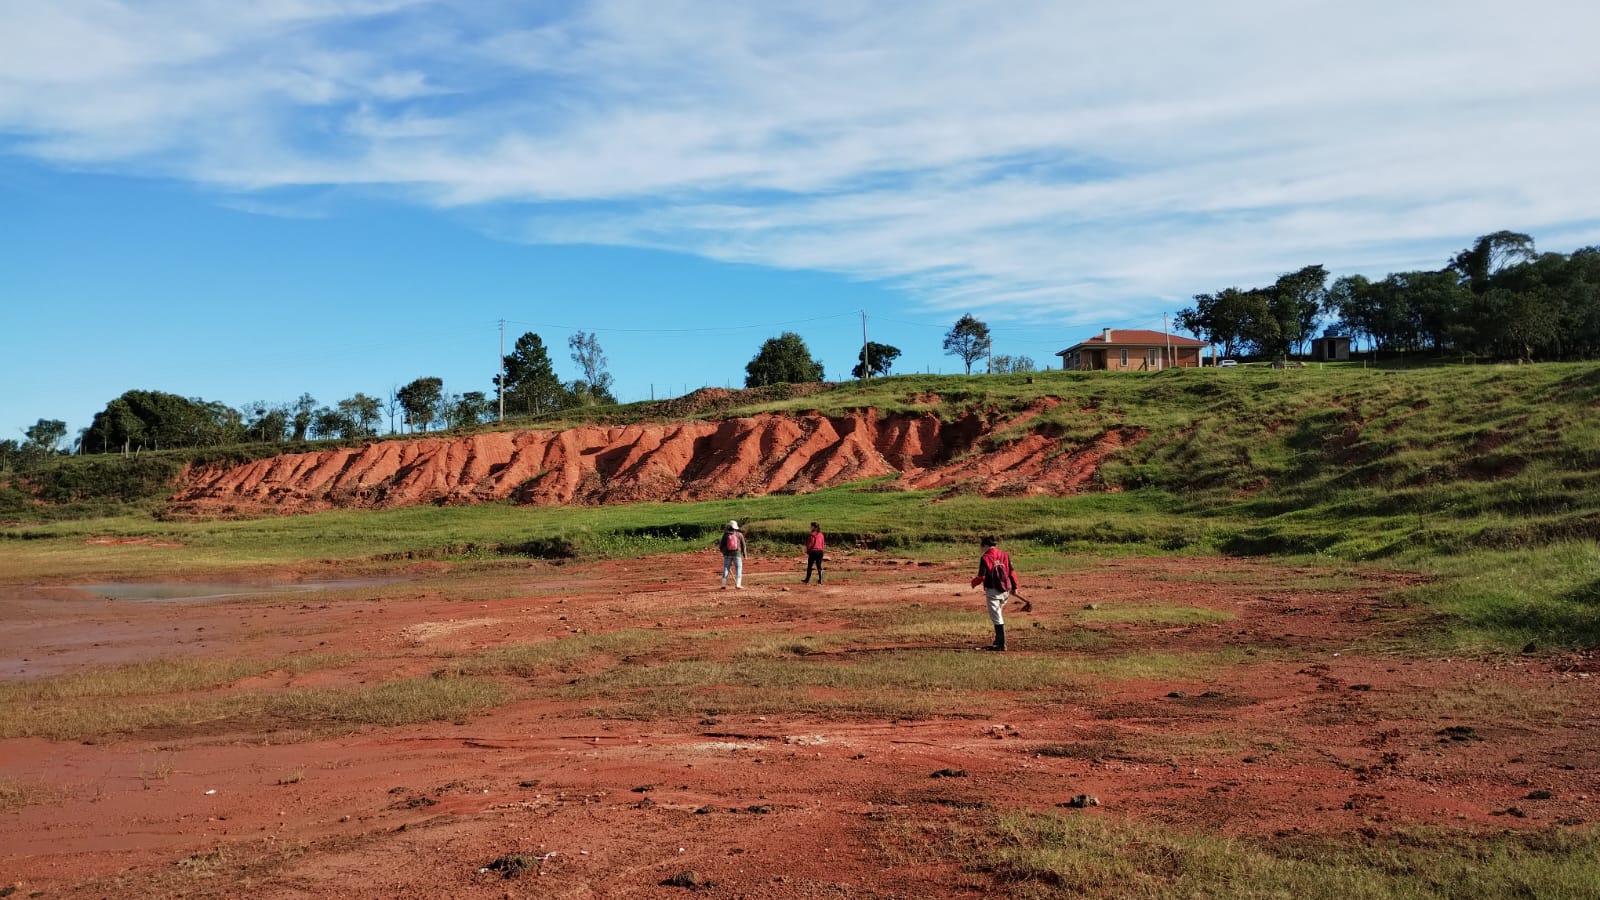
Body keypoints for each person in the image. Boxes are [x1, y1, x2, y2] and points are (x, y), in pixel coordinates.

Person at [970, 535, 1018, 651]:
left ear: (985, 545)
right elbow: (1011, 572)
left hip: (993, 591)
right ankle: (998, 641)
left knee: (996, 616)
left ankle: (1000, 644)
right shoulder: (1004, 555)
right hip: (1005, 590)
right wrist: (1015, 587)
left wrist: (973, 583)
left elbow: (981, 576)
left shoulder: (985, 557)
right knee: (998, 614)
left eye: (981, 546)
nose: (981, 549)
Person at [719, 520, 746, 590]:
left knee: (726, 568)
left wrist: (724, 553)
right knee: (738, 568)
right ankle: (738, 584)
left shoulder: (725, 534)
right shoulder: (739, 534)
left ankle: (723, 585)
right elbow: (743, 545)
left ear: (729, 526)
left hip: (727, 554)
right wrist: (745, 555)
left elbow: (721, 545)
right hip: (737, 554)